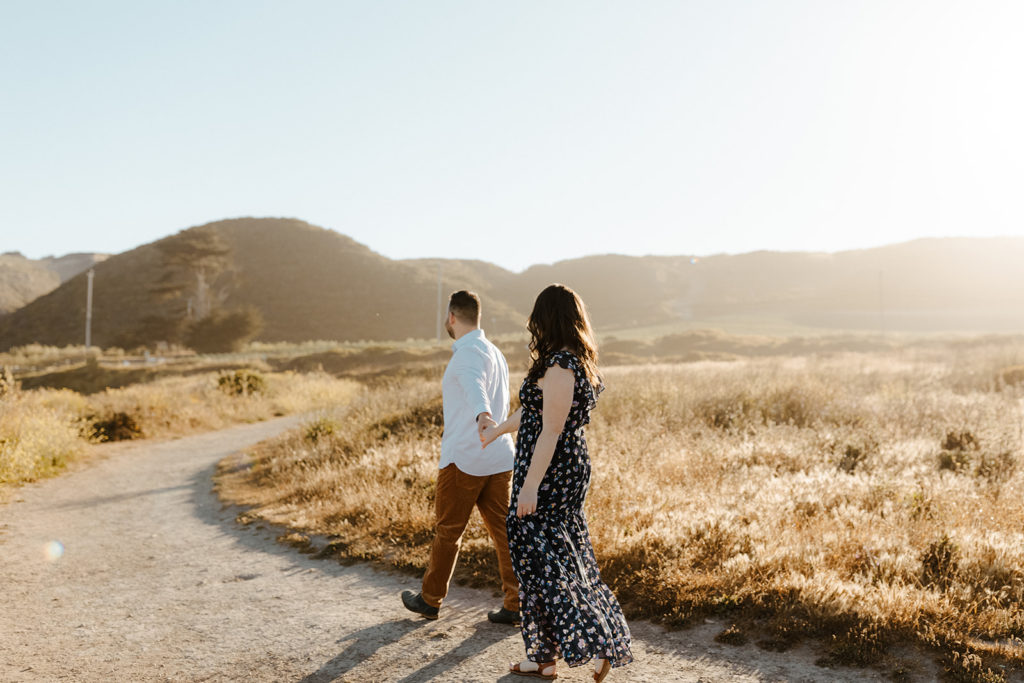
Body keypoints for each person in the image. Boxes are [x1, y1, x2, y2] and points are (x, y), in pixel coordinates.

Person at [482, 284, 633, 682]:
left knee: (545, 563)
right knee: (547, 559)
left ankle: (600, 641)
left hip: (549, 471)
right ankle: (541, 656)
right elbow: (533, 412)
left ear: (547, 318)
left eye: (537, 318)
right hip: (556, 467)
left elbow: (550, 430)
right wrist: (496, 431)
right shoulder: (565, 361)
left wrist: (529, 487)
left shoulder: (562, 364)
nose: (533, 325)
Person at [401, 290, 521, 625]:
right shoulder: (495, 352)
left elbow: (473, 386)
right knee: (505, 533)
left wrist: (483, 415)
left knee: (448, 531)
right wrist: (487, 421)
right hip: (498, 457)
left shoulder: (466, 354)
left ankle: (430, 599)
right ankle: (516, 603)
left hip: (465, 458)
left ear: (452, 317)